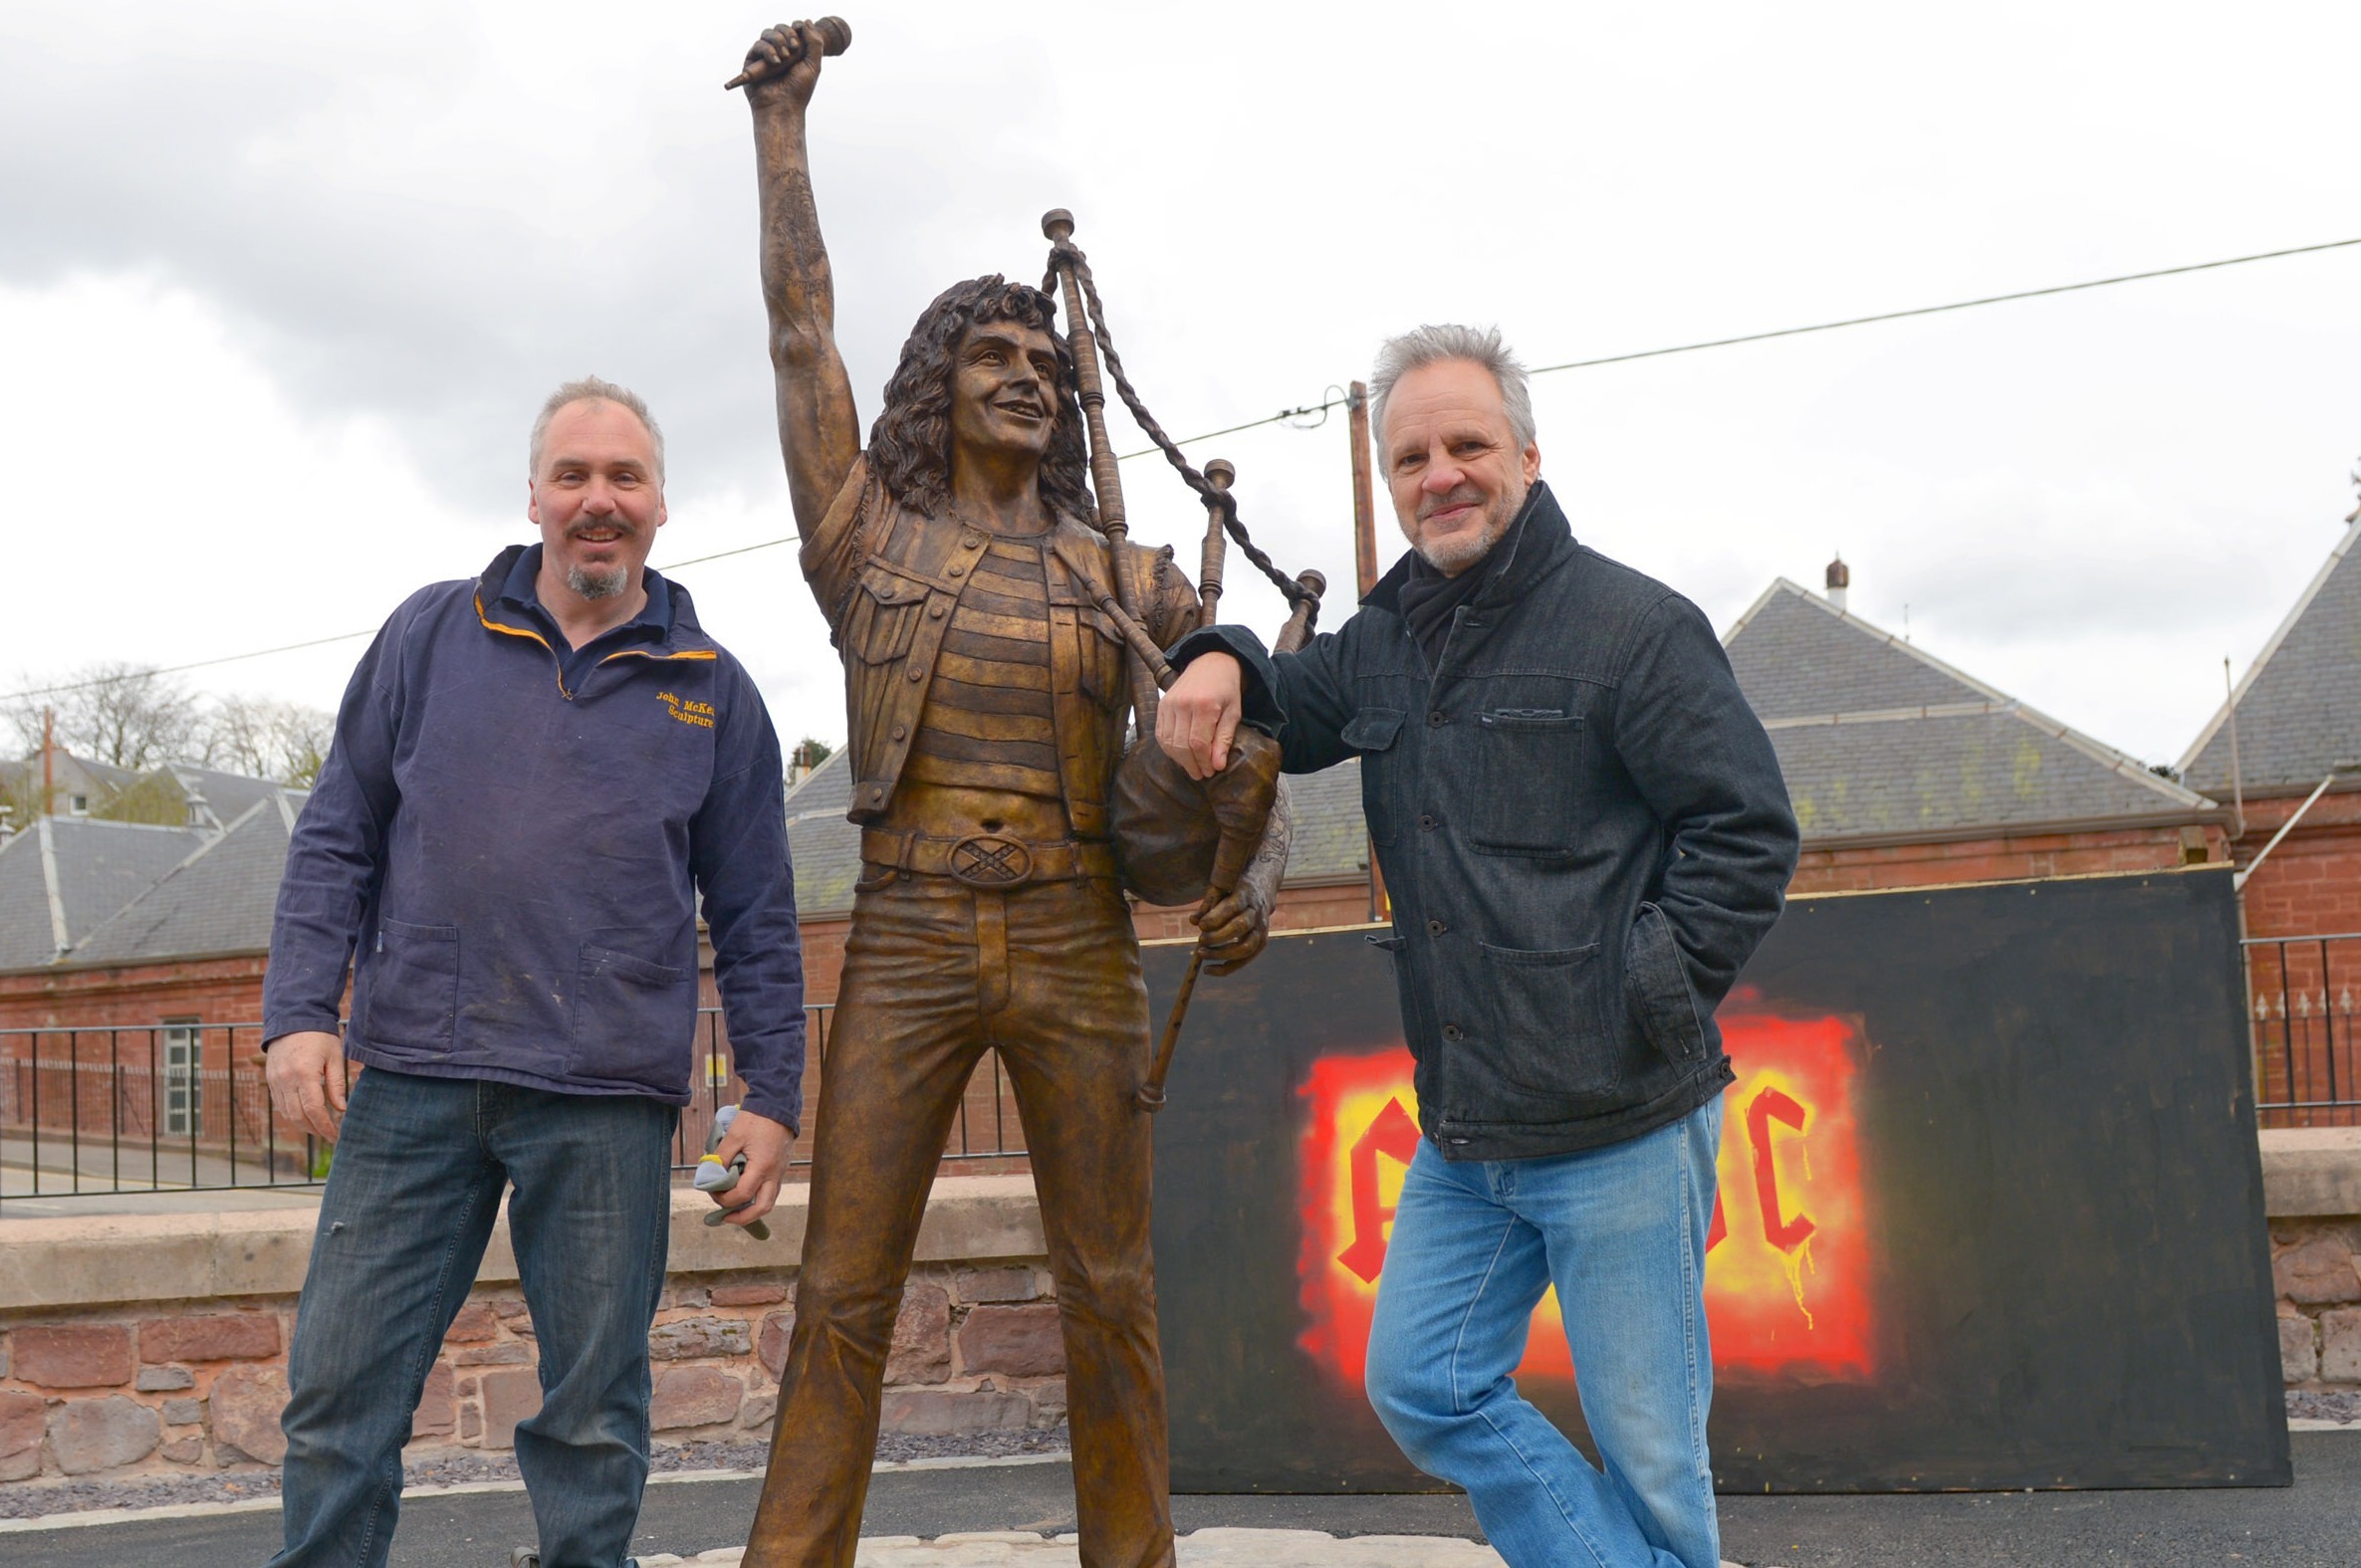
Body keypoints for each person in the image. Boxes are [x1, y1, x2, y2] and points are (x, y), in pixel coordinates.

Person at [730, 20, 1274, 1568]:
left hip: (1077, 936)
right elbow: (796, 331)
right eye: (996, 357)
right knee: (843, 1288)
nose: (1029, 377)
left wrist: (1251, 866)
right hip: (904, 934)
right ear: (938, 384)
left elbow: (1259, 715)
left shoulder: (1123, 572)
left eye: (1046, 363)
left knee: (1111, 1284)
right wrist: (783, 133)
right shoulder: (864, 542)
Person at [1158, 326, 1798, 1568]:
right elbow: (1290, 702)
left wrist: (1636, 991)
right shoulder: (1391, 636)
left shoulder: (1633, 626)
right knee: (1425, 1385)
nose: (1438, 474)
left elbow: (1746, 830)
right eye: (1410, 457)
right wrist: (1212, 657)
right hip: (1466, 1132)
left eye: (1466, 445)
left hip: (1621, 1118)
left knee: (1652, 1453)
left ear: (1526, 454)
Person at [258, 378, 807, 1568]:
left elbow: (759, 912)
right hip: (409, 1081)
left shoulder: (713, 691)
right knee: (338, 1400)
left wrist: (768, 1092)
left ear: (661, 504)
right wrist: (301, 1013)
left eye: (623, 478)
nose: (597, 500)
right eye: (573, 476)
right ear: (535, 496)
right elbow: (339, 827)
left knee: (594, 1420)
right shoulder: (432, 633)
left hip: (606, 1097)